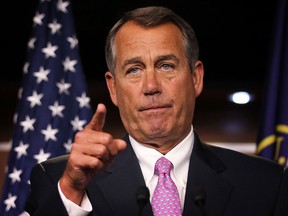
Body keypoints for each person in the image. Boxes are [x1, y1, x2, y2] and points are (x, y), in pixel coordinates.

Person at [25, 6, 288, 216]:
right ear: (114, 88)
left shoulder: (267, 183)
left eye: (165, 66)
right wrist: (72, 190)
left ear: (196, 78)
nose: (151, 86)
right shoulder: (61, 181)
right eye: (134, 70)